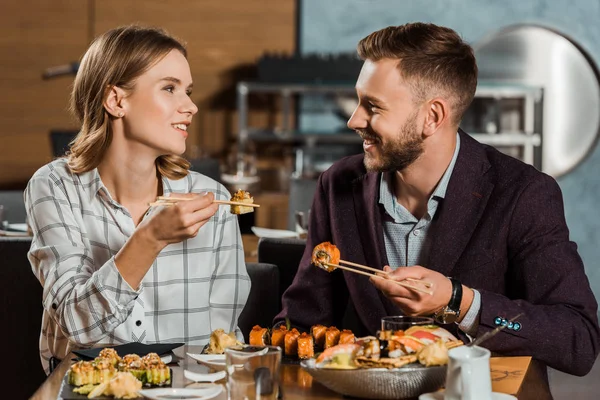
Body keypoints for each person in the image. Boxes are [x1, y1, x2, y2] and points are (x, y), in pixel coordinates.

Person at [275, 22, 600, 376]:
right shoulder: (338, 185)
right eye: (358, 101)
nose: (355, 119)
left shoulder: (523, 192)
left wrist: (460, 301)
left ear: (432, 117)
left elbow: (577, 339)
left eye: (373, 106)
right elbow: (302, 322)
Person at [25, 25, 250, 373]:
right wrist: (150, 238)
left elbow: (222, 339)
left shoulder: (214, 200)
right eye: (170, 89)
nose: (190, 106)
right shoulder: (55, 188)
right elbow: (78, 324)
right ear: (116, 100)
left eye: (188, 91)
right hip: (89, 389)